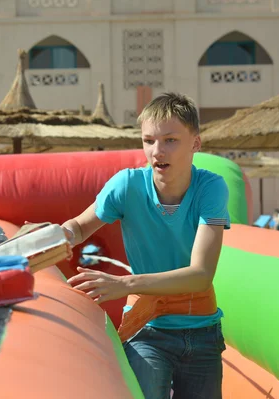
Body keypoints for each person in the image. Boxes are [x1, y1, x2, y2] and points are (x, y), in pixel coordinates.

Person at [62, 93, 229, 399]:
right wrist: (54, 236)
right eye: (148, 140)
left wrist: (124, 284)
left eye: (170, 140)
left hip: (203, 329)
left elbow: (201, 274)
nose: (157, 151)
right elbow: (79, 227)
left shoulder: (211, 187)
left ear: (195, 143)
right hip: (148, 329)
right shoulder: (126, 185)